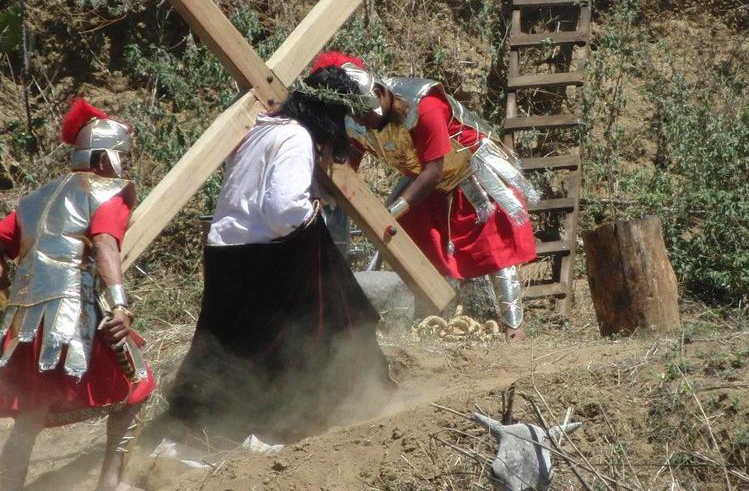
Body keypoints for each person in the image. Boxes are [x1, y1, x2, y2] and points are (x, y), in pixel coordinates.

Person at [167, 86, 393, 445]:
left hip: (226, 251)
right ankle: (299, 415)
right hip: (266, 257)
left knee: (228, 347)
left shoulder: (259, 129)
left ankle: (202, 429)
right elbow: (284, 209)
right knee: (314, 328)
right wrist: (312, 213)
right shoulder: (296, 137)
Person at [305, 52, 539, 342]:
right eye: (356, 116)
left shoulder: (425, 105)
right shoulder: (356, 117)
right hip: (426, 181)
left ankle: (514, 327)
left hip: (470, 173)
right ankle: (434, 316)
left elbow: (434, 171)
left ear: (379, 94)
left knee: (493, 248)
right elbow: (347, 164)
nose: (362, 121)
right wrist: (329, 189)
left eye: (364, 113)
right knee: (417, 243)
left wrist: (390, 211)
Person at [0, 98, 155, 491]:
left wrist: (5, 294)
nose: (127, 165)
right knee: (137, 386)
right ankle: (111, 485)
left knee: (32, 412)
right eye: (124, 157)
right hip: (74, 315)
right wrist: (120, 305)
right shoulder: (109, 190)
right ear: (104, 160)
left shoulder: (35, 199)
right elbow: (105, 245)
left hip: (25, 322)